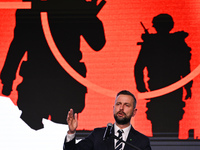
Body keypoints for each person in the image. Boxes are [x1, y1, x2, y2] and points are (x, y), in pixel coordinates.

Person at [0, 0, 106, 130]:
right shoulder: (74, 7)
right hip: (59, 87)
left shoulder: (33, 7)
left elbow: (18, 46)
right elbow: (98, 43)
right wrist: (88, 15)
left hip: (45, 86)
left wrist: (8, 79)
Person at [134, 14, 193, 137]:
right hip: (167, 88)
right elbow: (185, 68)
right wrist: (188, 87)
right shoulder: (176, 43)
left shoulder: (152, 43)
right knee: (165, 118)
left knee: (164, 118)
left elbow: (138, 67)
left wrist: (141, 86)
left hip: (163, 87)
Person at [63, 90, 152, 150]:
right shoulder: (98, 135)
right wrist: (71, 132)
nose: (121, 108)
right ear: (113, 108)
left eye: (126, 105)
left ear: (134, 112)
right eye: (118, 104)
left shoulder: (142, 142)